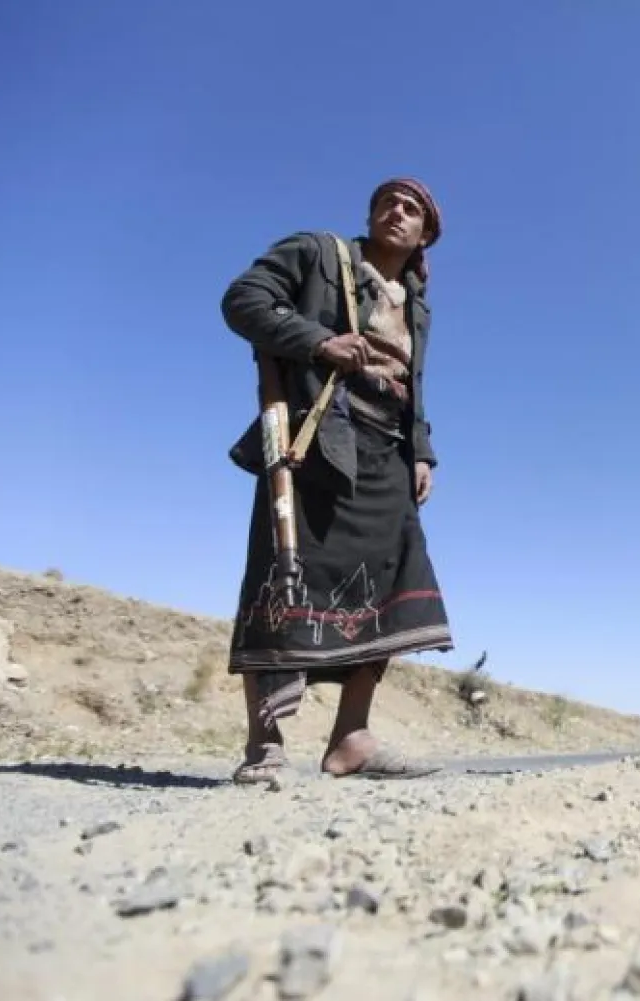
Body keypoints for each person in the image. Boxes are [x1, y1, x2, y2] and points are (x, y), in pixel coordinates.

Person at [219, 178, 455, 783]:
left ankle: (350, 738)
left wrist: (422, 452)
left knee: (392, 583)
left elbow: (414, 384)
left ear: (425, 233)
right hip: (319, 438)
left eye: (411, 209)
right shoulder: (318, 253)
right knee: (285, 577)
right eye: (387, 202)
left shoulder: (416, 303)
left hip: (389, 455)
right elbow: (243, 300)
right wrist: (320, 341)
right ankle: (264, 745)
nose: (395, 212)